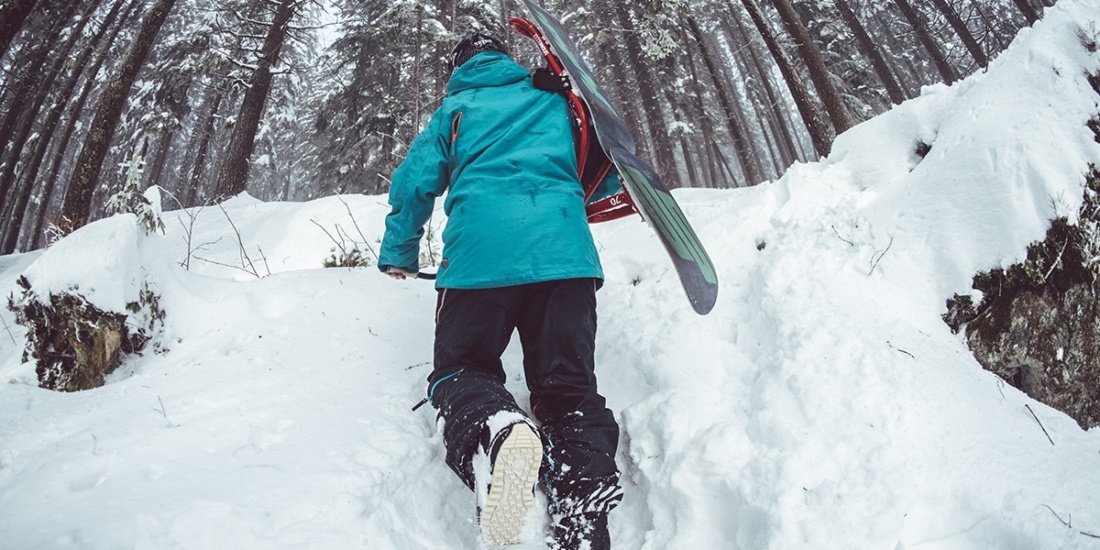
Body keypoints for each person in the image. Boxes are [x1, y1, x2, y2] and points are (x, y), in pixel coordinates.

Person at [378, 32, 622, 549]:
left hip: (479, 261)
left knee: (460, 368)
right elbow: (599, 178)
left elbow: (415, 180)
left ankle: (495, 429)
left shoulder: (457, 108)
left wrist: (400, 252)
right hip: (565, 258)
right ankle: (583, 521)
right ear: (504, 58)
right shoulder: (553, 97)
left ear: (458, 67)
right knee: (568, 389)